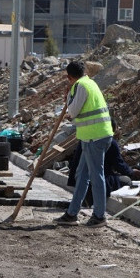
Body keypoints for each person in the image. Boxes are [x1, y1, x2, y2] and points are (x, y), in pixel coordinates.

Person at [54, 60, 114, 228]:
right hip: (93, 136)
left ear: (69, 77)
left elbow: (73, 111)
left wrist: (68, 97)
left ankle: (99, 216)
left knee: (96, 176)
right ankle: (72, 213)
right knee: (82, 175)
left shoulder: (80, 86)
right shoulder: (90, 82)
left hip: (95, 137)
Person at [67, 120, 140, 207]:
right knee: (126, 180)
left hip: (80, 181)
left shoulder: (85, 139)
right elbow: (119, 165)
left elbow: (73, 162)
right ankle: (94, 200)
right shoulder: (109, 142)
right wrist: (131, 172)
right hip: (96, 182)